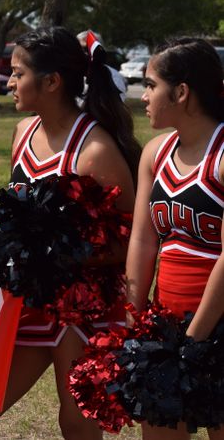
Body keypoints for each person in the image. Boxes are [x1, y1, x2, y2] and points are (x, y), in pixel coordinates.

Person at [0, 26, 140, 440]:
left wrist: (57, 252)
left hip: (82, 308)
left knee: (76, 426)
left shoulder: (95, 151)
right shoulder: (22, 133)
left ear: (51, 82)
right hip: (29, 302)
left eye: (17, 73)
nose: (9, 82)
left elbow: (132, 242)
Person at [126, 38, 224, 440]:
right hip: (166, 322)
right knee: (160, 432)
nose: (145, 95)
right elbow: (143, 240)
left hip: (215, 324)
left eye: (151, 85)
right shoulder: (154, 153)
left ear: (181, 92)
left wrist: (195, 338)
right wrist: (134, 314)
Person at [76, 30, 127, 101]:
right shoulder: (72, 75)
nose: (84, 54)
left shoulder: (113, 77)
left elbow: (114, 107)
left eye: (87, 49)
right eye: (79, 49)